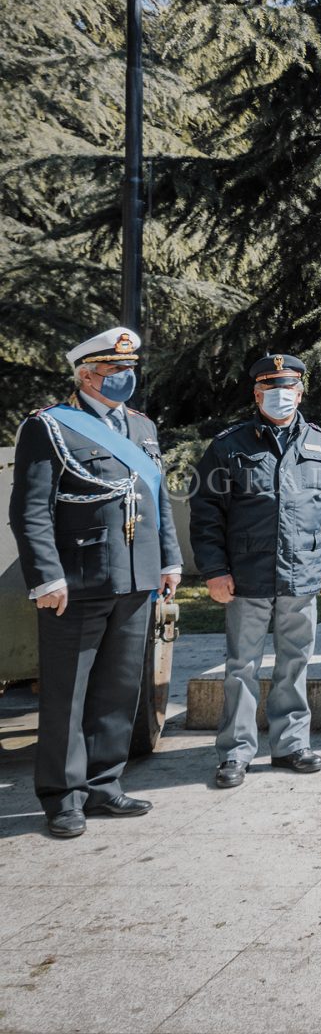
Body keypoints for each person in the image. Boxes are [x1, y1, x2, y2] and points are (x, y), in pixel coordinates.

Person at [8, 326, 182, 838]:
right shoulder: (50, 427)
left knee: (118, 689)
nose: (125, 378)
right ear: (86, 375)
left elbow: (157, 500)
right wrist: (46, 578)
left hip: (135, 579)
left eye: (129, 370)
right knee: (68, 695)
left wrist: (169, 562)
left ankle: (105, 784)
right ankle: (63, 798)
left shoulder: (142, 428)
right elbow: (31, 512)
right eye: (113, 371)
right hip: (77, 582)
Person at [190, 353, 321, 788]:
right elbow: (206, 515)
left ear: (301, 392)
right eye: (272, 389)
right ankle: (236, 752)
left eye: (290, 388)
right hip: (247, 576)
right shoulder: (229, 445)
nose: (282, 396)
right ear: (256, 393)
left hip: (302, 574)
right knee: (242, 665)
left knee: (295, 662)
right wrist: (214, 570)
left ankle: (291, 745)